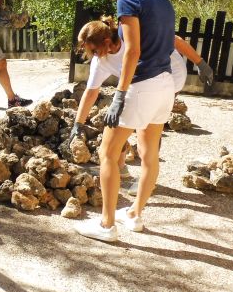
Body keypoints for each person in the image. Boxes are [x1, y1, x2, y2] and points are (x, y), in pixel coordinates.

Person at [75, 0, 176, 242]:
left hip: (141, 87)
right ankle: (135, 215)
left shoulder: (128, 0)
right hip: (164, 85)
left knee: (107, 153)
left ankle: (106, 226)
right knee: (149, 154)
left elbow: (132, 51)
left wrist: (120, 94)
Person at [71, 16, 215, 188]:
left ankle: (147, 180)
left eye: (94, 50)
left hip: (169, 76)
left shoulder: (133, 34)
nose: (91, 55)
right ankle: (120, 167)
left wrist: (200, 63)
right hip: (137, 82)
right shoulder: (100, 60)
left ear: (107, 42)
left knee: (147, 130)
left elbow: (174, 40)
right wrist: (78, 123)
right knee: (116, 121)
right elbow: (91, 92)